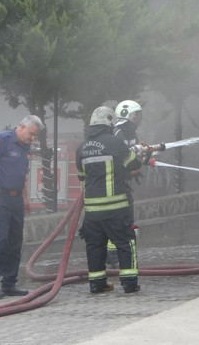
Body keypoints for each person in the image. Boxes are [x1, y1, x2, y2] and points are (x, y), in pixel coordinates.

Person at [76, 105, 148, 294]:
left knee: (95, 246)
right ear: (109, 122)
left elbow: (81, 176)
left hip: (92, 211)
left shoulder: (81, 148)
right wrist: (139, 154)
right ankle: (129, 283)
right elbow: (133, 164)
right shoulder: (115, 143)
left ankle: (97, 284)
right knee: (126, 242)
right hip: (116, 206)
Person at [0, 115, 44, 299]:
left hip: (15, 200)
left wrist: (24, 199)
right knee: (0, 241)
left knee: (15, 243)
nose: (32, 138)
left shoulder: (25, 147)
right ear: (22, 127)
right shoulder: (3, 140)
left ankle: (9, 283)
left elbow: (20, 175)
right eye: (31, 134)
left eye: (35, 136)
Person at [105, 100, 143, 268]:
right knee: (118, 221)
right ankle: (114, 258)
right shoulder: (118, 133)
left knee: (127, 221)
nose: (138, 118)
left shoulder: (132, 133)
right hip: (115, 185)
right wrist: (129, 171)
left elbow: (133, 154)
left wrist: (144, 160)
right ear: (127, 114)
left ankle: (120, 257)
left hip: (124, 185)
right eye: (136, 115)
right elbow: (112, 161)